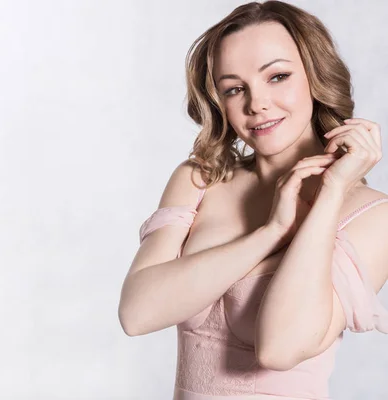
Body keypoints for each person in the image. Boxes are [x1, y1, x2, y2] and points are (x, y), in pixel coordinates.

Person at [117, 1, 388, 399]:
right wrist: (271, 232)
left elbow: (281, 348)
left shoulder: (371, 215)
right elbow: (137, 314)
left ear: (315, 77)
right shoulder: (200, 180)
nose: (256, 103)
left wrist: (329, 191)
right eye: (234, 88)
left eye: (277, 76)